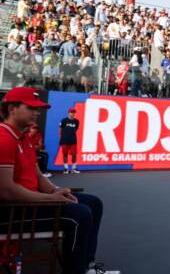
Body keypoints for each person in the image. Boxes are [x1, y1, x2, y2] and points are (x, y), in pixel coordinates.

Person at [0, 87, 120, 274]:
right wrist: (51, 199)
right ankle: (76, 271)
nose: (36, 112)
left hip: (28, 204)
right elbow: (6, 191)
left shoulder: (23, 138)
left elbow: (38, 176)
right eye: (30, 107)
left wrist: (56, 191)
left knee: (94, 203)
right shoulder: (3, 138)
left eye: (37, 108)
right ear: (11, 109)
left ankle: (87, 266)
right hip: (12, 212)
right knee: (80, 215)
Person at [60, 108, 80, 174]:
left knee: (74, 154)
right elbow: (60, 130)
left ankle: (74, 168)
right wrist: (61, 138)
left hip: (73, 140)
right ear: (68, 113)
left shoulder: (76, 121)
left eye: (74, 112)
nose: (72, 114)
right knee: (65, 154)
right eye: (71, 112)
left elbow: (76, 129)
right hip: (65, 140)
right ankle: (66, 168)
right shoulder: (64, 120)